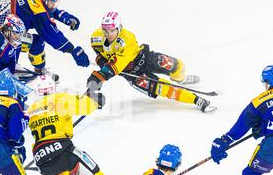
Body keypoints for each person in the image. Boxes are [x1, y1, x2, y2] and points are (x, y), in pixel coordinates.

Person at [86, 12, 216, 113]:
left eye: (112, 30)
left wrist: (99, 76)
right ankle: (196, 100)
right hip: (133, 75)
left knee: (178, 65)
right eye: (106, 31)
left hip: (145, 59)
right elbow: (100, 54)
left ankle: (180, 79)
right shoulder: (96, 37)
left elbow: (116, 65)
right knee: (167, 89)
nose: (109, 34)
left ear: (120, 27)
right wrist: (101, 62)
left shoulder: (127, 39)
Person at [26, 75, 120, 175]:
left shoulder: (31, 110)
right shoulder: (59, 99)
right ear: (53, 88)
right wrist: (94, 101)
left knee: (57, 162)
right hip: (63, 153)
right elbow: (83, 106)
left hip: (41, 160)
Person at [15, 0, 90, 79]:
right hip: (5, 35)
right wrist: (72, 50)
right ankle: (10, 66)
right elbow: (52, 35)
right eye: (52, 2)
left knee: (36, 41)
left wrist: (65, 17)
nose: (54, 5)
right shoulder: (39, 14)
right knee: (34, 42)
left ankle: (39, 70)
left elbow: (49, 10)